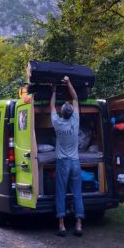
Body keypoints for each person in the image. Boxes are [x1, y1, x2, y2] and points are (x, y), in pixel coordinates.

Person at [49, 76, 84, 236]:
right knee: (77, 193)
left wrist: (54, 91)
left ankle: (62, 225)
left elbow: (51, 106)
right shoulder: (75, 120)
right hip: (75, 162)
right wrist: (69, 83)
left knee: (61, 192)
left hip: (62, 162)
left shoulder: (57, 122)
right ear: (71, 113)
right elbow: (75, 98)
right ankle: (78, 224)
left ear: (62, 113)